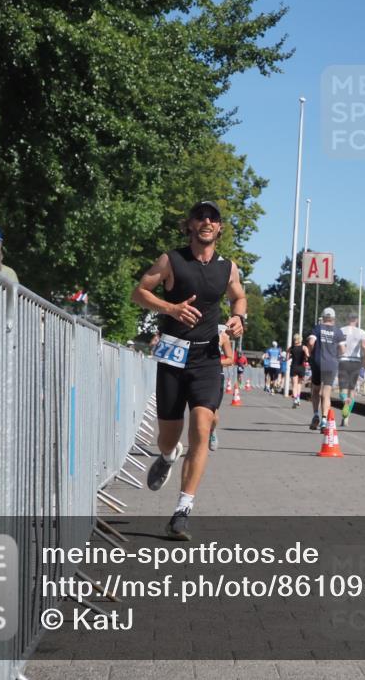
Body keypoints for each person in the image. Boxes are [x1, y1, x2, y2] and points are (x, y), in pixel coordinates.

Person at [131, 200, 246, 541]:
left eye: (213, 218)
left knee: (201, 424)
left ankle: (182, 510)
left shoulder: (228, 268)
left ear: (220, 228)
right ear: (190, 225)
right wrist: (170, 308)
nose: (207, 222)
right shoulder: (172, 260)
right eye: (200, 217)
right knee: (168, 435)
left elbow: (238, 298)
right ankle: (167, 455)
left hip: (207, 359)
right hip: (171, 355)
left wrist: (239, 318)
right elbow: (139, 292)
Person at [307, 307, 346, 430]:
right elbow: (343, 350)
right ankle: (324, 420)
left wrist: (309, 352)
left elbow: (311, 342)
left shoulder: (317, 328)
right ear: (333, 318)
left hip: (318, 362)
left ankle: (315, 415)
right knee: (326, 393)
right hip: (331, 363)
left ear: (323, 317)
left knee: (315, 390)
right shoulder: (338, 331)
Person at [338, 313, 365, 427]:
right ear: (357, 320)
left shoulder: (341, 330)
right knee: (352, 390)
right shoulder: (362, 332)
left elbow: (337, 346)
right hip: (356, 362)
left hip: (343, 360)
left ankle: (345, 401)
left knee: (342, 391)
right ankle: (346, 417)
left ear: (348, 319)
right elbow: (364, 347)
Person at [210, 327, 236, 452]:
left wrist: (213, 363)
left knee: (213, 413)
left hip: (215, 376)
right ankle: (196, 445)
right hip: (195, 375)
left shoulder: (221, 333)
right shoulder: (194, 329)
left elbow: (230, 359)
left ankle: (212, 430)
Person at [287, 334, 309, 408]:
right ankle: (298, 398)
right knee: (299, 384)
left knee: (294, 385)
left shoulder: (291, 347)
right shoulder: (304, 347)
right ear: (300, 339)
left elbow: (287, 357)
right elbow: (307, 356)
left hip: (294, 367)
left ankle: (295, 399)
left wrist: (289, 356)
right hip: (301, 367)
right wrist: (306, 357)